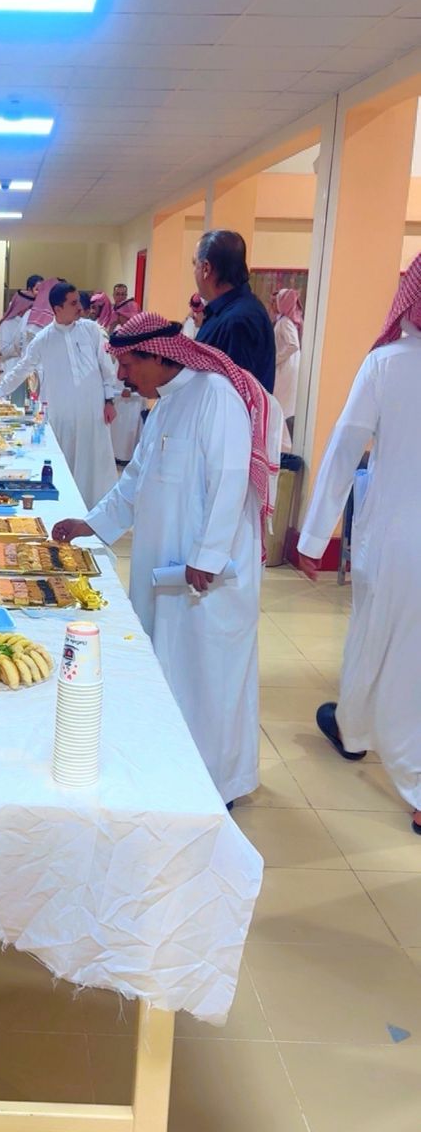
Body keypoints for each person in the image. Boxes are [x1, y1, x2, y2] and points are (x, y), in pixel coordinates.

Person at [53, 312, 282, 809]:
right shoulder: (164, 406)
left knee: (209, 678)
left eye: (128, 364)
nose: (121, 376)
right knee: (167, 670)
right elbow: (135, 481)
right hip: (167, 569)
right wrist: (89, 523)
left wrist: (209, 555)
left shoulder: (216, 397)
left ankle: (220, 785)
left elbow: (230, 480)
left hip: (207, 578)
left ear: (159, 355)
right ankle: (173, 772)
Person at [297, 257, 421, 834]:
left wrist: (313, 535)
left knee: (390, 646)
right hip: (397, 535)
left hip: (398, 537)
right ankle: (351, 727)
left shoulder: (388, 364)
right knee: (381, 642)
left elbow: (346, 446)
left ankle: (412, 778)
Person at [0, 281, 120, 508]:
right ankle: (67, 508)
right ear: (57, 308)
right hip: (61, 416)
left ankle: (95, 511)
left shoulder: (91, 330)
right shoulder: (43, 339)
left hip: (93, 413)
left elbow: (106, 367)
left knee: (94, 465)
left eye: (78, 301)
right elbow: (20, 371)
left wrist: (109, 400)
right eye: (73, 303)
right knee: (65, 465)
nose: (79, 308)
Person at [194, 229, 276, 393]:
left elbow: (235, 395)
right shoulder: (225, 312)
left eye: (194, 264)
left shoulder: (238, 320)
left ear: (206, 268)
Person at [271, 287, 303, 434]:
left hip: (285, 370)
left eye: (276, 301)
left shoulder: (285, 322)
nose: (273, 304)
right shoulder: (284, 321)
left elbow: (293, 345)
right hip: (286, 368)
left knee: (281, 407)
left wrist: (276, 359)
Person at [0, 274, 42, 364]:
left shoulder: (32, 323)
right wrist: (22, 344)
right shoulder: (6, 324)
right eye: (29, 306)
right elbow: (4, 351)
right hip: (9, 368)